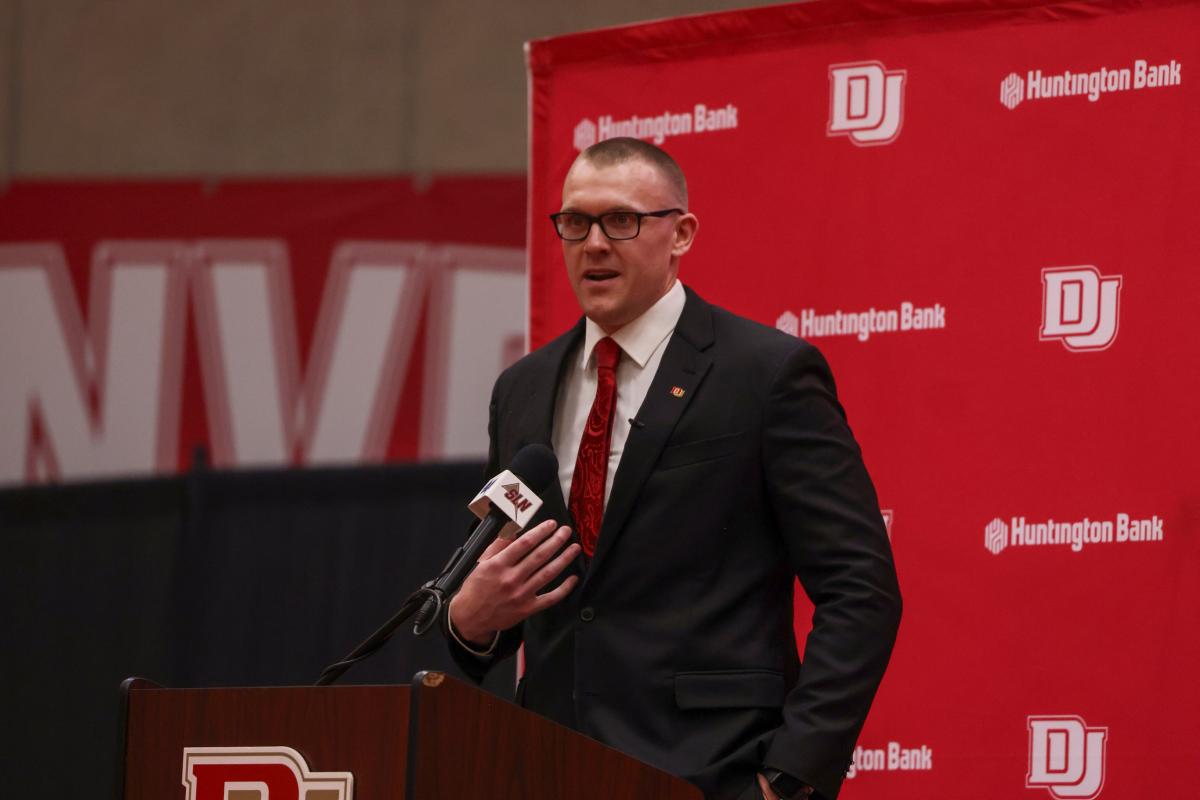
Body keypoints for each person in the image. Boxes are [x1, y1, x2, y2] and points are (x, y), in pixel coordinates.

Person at [444, 137, 901, 800]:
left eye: (621, 221)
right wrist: (471, 619)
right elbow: (511, 581)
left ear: (680, 233)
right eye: (575, 223)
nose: (593, 244)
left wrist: (787, 778)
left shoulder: (764, 374)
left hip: (712, 771)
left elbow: (861, 588)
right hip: (547, 766)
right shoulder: (521, 387)